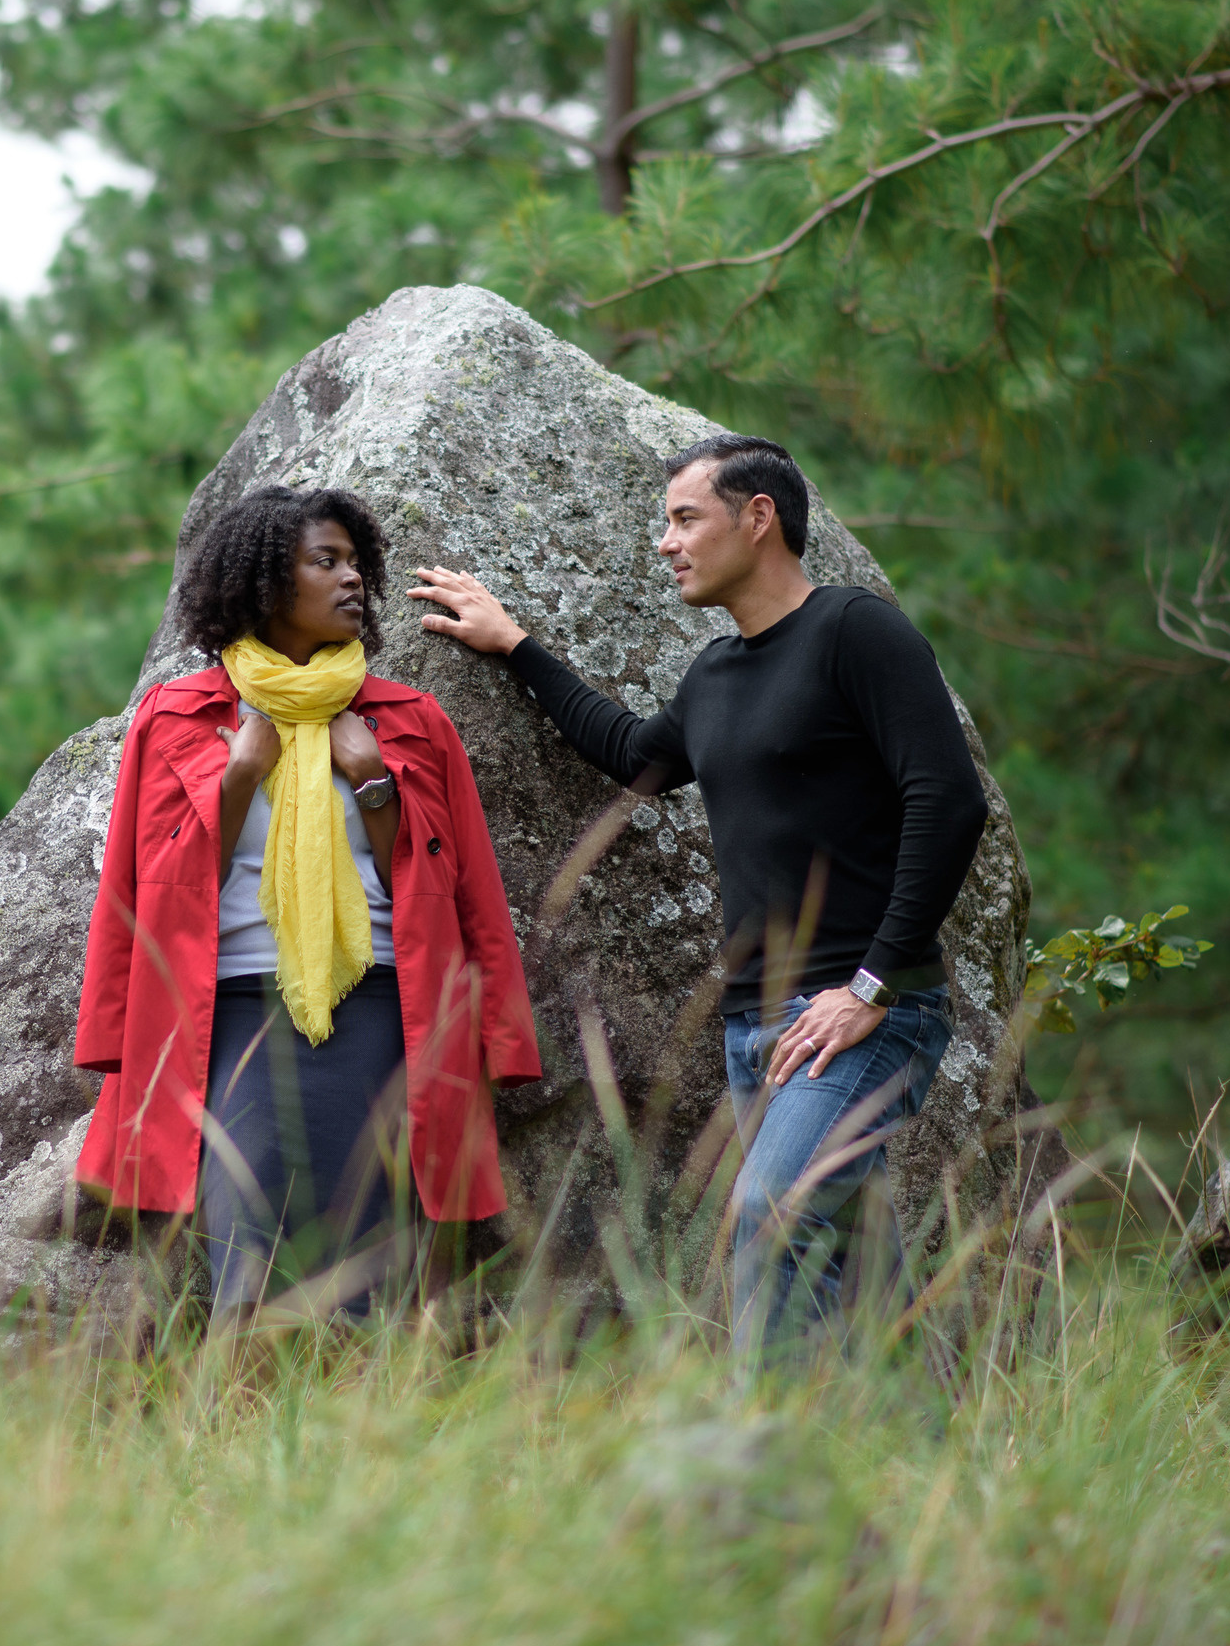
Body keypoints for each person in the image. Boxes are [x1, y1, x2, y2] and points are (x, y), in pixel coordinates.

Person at [407, 435, 989, 1357]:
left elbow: (949, 802)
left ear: (759, 518)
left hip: (866, 1011)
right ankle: (940, 1456)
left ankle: (751, 1475)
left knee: (768, 1213)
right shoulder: (717, 674)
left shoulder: (855, 632)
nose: (667, 543)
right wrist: (515, 644)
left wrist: (872, 986)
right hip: (757, 1023)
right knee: (847, 1252)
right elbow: (634, 753)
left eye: (686, 519)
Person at [74, 484, 541, 1325]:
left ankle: (365, 1434)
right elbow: (143, 891)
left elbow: (467, 892)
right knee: (247, 1258)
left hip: (382, 1013)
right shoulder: (178, 717)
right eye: (325, 561)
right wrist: (241, 774)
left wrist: (371, 783)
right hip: (230, 1016)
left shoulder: (411, 721)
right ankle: (240, 1430)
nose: (352, 578)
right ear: (263, 584)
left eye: (356, 561)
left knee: (371, 1267)